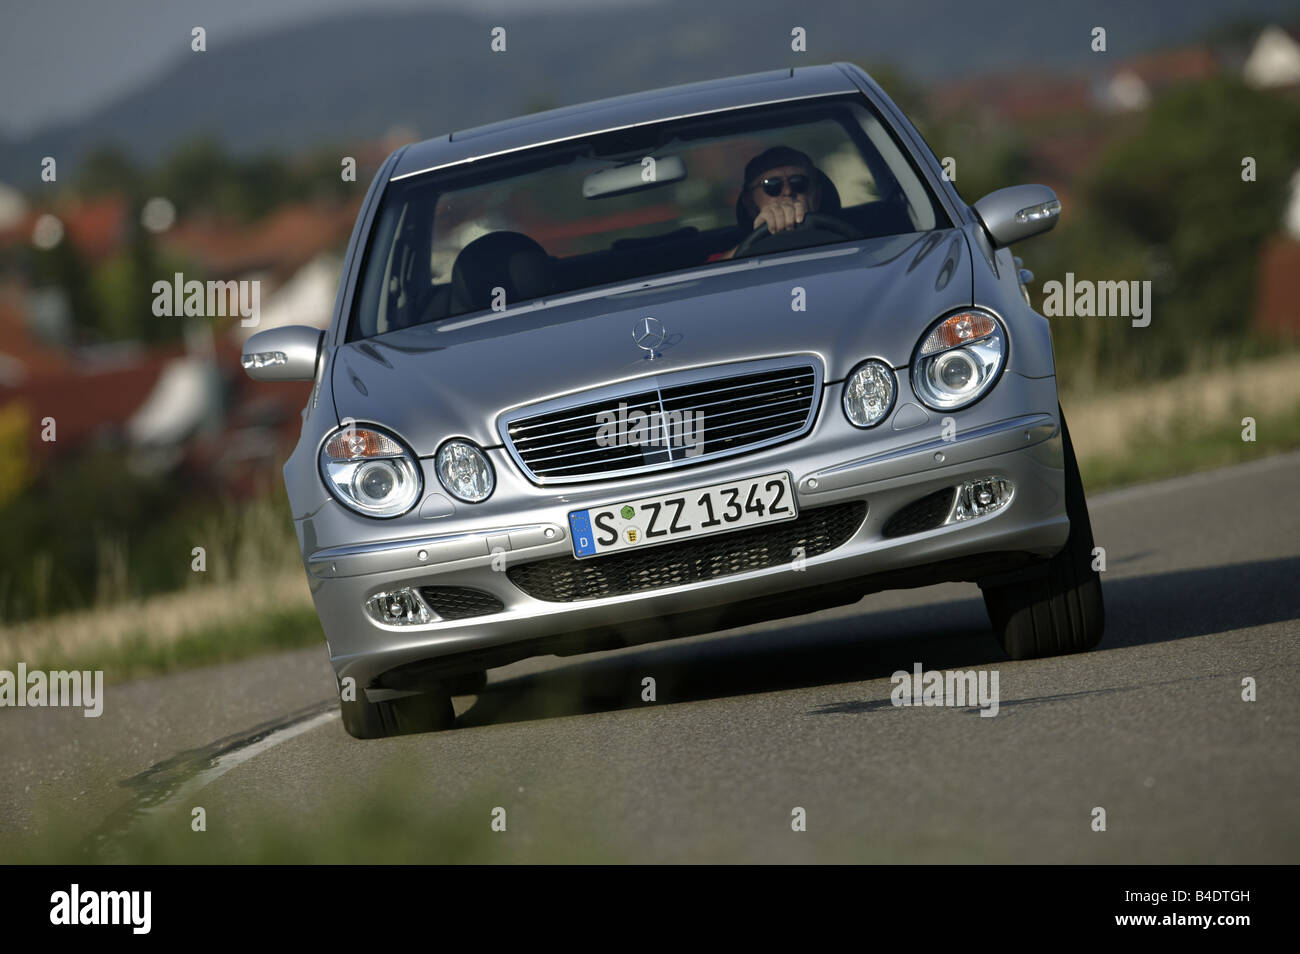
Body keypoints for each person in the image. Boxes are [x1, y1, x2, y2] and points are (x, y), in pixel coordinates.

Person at [710, 146, 828, 262]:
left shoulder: (845, 242)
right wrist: (756, 241)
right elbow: (708, 279)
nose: (787, 191)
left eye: (798, 182)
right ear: (750, 203)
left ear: (817, 196)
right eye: (772, 185)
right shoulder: (730, 256)